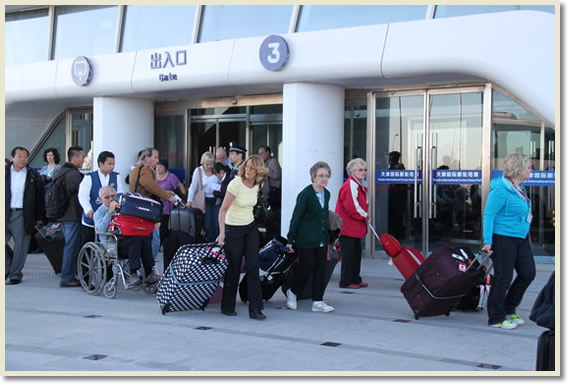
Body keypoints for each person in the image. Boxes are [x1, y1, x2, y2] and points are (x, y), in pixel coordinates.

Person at [481, 153, 536, 330]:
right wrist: (488, 241)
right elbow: (489, 214)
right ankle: (496, 317)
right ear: (518, 170)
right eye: (528, 167)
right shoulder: (501, 189)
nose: (531, 170)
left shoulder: (519, 188)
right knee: (503, 278)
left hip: (520, 238)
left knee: (528, 273)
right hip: (502, 237)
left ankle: (508, 308)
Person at [215, 155, 268, 320]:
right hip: (233, 228)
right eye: (247, 166)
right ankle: (227, 305)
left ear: (259, 171)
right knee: (234, 268)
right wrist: (222, 232)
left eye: (252, 168)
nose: (248, 170)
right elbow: (223, 210)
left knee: (253, 266)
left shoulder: (257, 184)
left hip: (250, 227)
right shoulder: (235, 183)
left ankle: (256, 309)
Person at [286, 161, 335, 313]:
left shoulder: (326, 194)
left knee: (321, 269)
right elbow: (296, 217)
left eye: (327, 176)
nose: (324, 179)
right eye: (321, 175)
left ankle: (318, 301)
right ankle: (293, 291)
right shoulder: (305, 194)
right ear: (313, 177)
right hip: (305, 239)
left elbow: (323, 216)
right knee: (307, 266)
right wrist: (290, 239)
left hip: (321, 238)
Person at [93, 185, 161, 286]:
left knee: (144, 237)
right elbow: (100, 230)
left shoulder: (125, 208)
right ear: (100, 199)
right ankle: (133, 274)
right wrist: (109, 212)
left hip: (129, 239)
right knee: (136, 240)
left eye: (113, 196)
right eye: (107, 197)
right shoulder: (99, 212)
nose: (111, 199)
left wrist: (152, 223)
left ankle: (149, 273)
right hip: (112, 244)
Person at [5, 147, 45, 285]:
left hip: (23, 213)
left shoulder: (32, 175)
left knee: (21, 246)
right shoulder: (5, 173)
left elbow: (39, 198)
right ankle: (7, 266)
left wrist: (40, 217)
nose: (23, 159)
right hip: (5, 212)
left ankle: (15, 274)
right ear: (12, 158)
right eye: (20, 156)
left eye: (25, 157)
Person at [129, 148, 178, 259]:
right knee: (154, 242)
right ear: (147, 158)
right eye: (155, 157)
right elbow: (149, 185)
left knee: (146, 241)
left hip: (138, 209)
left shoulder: (136, 168)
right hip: (146, 210)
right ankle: (147, 270)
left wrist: (165, 192)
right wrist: (167, 196)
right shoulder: (146, 168)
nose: (157, 161)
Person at [335, 158, 370, 289]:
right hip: (348, 226)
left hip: (355, 226)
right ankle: (346, 281)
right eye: (360, 170)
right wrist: (365, 216)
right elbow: (352, 207)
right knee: (349, 255)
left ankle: (355, 278)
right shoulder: (350, 185)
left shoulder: (359, 184)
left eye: (365, 169)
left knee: (356, 254)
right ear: (352, 171)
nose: (364, 172)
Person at [53, 146, 85, 287]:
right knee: (71, 246)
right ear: (75, 157)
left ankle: (68, 274)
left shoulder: (59, 172)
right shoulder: (73, 174)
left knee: (69, 245)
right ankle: (67, 277)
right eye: (82, 157)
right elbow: (81, 194)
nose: (83, 160)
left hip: (63, 214)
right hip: (72, 214)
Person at [78, 151, 123, 246]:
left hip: (110, 220)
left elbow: (119, 194)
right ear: (101, 164)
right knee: (88, 246)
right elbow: (83, 196)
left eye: (113, 164)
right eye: (109, 164)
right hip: (91, 219)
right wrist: (88, 210)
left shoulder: (116, 176)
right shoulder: (89, 177)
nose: (112, 166)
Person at [186, 152, 217, 242]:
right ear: (203, 163)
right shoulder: (198, 171)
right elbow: (193, 186)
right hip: (204, 200)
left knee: (216, 223)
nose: (209, 166)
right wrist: (189, 200)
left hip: (216, 199)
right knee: (207, 224)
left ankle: (217, 243)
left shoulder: (216, 170)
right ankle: (209, 242)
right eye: (207, 164)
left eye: (211, 164)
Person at [156, 159, 186, 242]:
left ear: (165, 168)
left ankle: (161, 242)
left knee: (164, 225)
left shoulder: (171, 177)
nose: (158, 169)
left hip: (167, 205)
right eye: (157, 167)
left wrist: (184, 195)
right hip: (156, 204)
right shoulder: (153, 176)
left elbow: (180, 185)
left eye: (160, 167)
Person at [206, 162, 229, 241]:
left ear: (221, 172)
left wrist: (214, 192)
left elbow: (224, 193)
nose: (217, 177)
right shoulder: (227, 177)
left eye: (216, 175)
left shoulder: (226, 180)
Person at [258, 145, 282, 211]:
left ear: (267, 152)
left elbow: (277, 175)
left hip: (273, 193)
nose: (260, 155)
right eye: (259, 154)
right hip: (269, 194)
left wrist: (266, 170)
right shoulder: (265, 163)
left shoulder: (272, 161)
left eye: (262, 153)